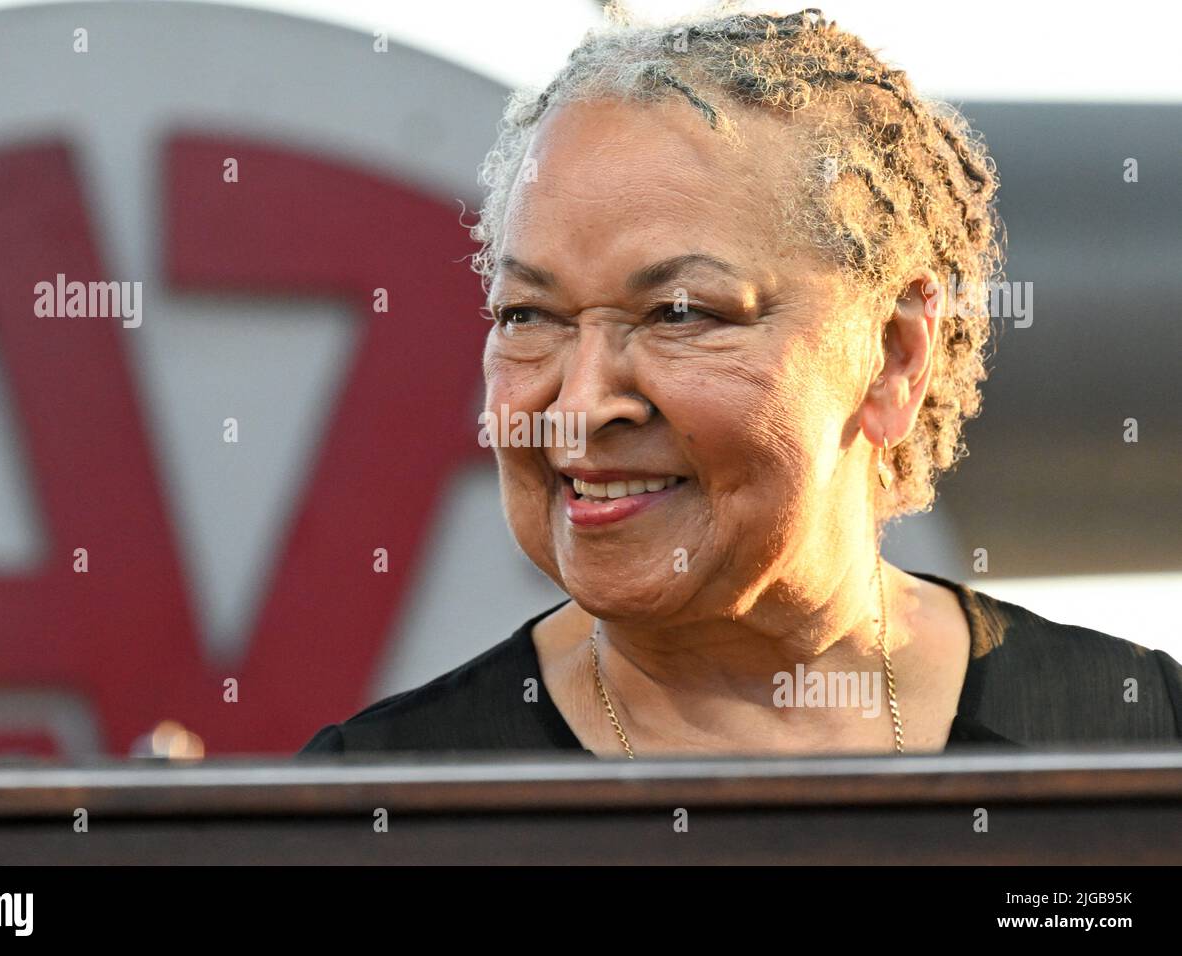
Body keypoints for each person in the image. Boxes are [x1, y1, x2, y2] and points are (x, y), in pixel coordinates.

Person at [301, 8, 1182, 758]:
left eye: (679, 315)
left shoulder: (1135, 738)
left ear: (893, 355)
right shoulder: (367, 808)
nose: (578, 408)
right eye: (529, 316)